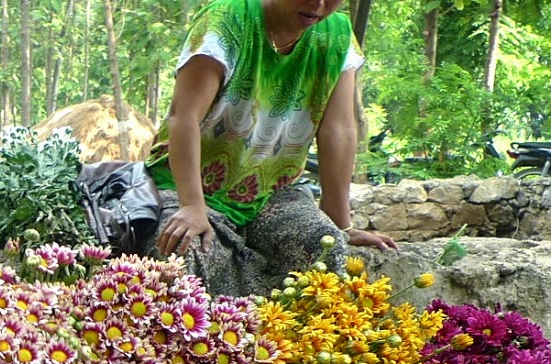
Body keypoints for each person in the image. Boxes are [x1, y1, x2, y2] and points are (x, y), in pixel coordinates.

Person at [145, 0, 396, 297]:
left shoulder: (337, 36)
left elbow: (338, 130)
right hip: (187, 188)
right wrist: (192, 207)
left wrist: (341, 224)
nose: (318, 4)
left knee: (323, 245)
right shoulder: (226, 21)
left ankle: (290, 340)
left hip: (269, 194)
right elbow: (183, 117)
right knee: (182, 253)